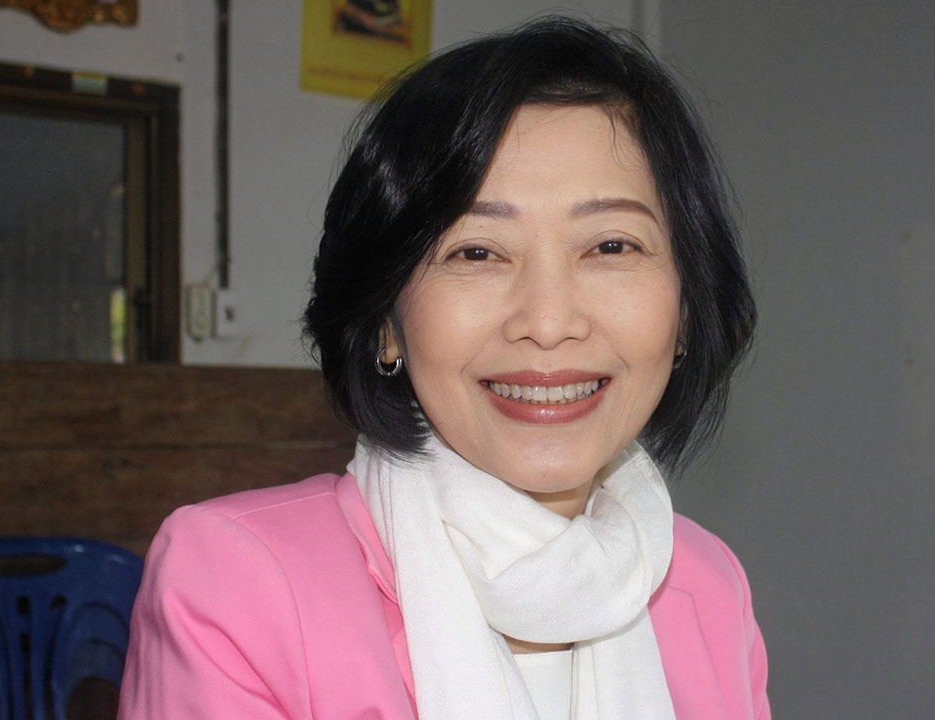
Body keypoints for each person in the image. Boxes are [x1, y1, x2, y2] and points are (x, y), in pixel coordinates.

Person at [118, 15, 767, 720]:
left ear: (686, 308)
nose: (549, 321)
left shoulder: (707, 587)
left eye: (611, 246)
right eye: (476, 252)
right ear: (385, 318)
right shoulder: (240, 586)